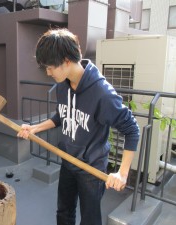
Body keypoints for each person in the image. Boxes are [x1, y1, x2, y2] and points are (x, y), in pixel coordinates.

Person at [17, 28, 140, 225]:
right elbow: (62, 116)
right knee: (64, 212)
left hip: (91, 168)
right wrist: (34, 128)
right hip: (68, 160)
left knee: (90, 220)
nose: (48, 73)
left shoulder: (102, 94)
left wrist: (122, 172)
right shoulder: (62, 85)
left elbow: (132, 130)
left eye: (50, 67)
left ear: (66, 61)